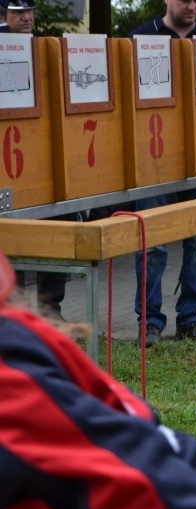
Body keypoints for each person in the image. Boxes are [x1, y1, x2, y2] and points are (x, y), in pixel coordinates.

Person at [0, 249, 196, 509]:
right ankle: (152, 322)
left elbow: (181, 503)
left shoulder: (14, 375)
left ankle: (176, 319)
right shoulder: (26, 342)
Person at [129, 0, 196, 347]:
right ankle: (149, 321)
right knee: (151, 242)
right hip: (154, 158)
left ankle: (190, 318)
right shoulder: (139, 40)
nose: (192, 5)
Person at [3, 0, 71, 322]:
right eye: (18, 12)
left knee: (56, 224)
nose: (27, 18)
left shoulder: (43, 49)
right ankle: (14, 316)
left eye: (29, 11)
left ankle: (49, 312)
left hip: (38, 156)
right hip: (7, 159)